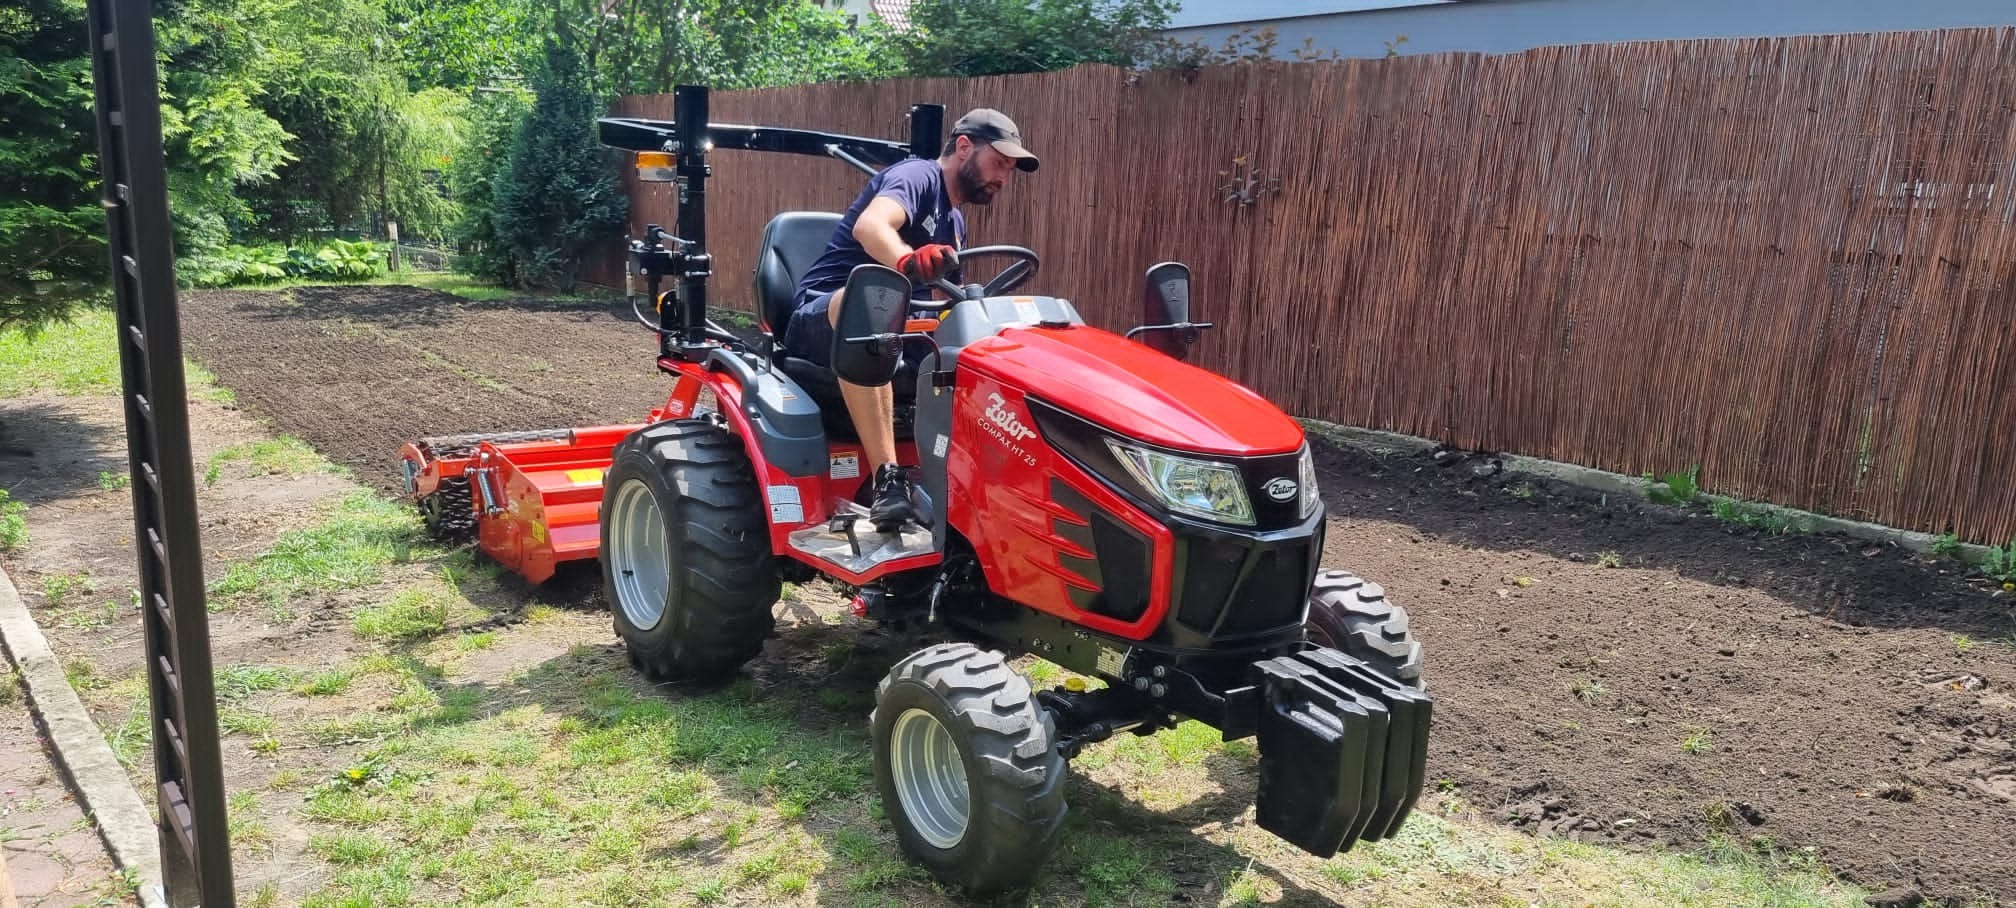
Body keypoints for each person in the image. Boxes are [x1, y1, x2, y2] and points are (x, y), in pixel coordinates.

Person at [781, 108, 1039, 531]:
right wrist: (905, 261)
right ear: (963, 147)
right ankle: (888, 483)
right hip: (822, 318)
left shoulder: (954, 223)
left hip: (892, 334)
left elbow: (949, 302)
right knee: (873, 300)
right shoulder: (918, 176)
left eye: (1010, 171)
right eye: (999, 163)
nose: (1003, 178)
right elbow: (871, 226)